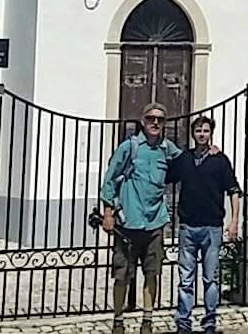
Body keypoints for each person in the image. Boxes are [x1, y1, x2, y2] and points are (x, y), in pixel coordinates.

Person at [100, 103, 181, 334]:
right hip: (128, 223)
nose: (155, 123)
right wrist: (107, 212)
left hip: (155, 222)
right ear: (143, 121)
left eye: (160, 119)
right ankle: (118, 320)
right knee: (121, 274)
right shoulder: (129, 147)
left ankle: (147, 319)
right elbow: (109, 179)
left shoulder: (168, 149)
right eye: (150, 118)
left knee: (152, 273)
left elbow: (188, 164)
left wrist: (209, 150)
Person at [168, 115, 241, 333]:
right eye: (198, 130)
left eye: (206, 131)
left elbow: (234, 191)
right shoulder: (184, 159)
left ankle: (210, 320)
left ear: (211, 133)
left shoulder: (220, 160)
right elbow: (165, 175)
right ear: (193, 134)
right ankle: (183, 322)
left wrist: (234, 221)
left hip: (212, 227)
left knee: (211, 278)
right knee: (185, 279)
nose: (202, 134)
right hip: (188, 227)